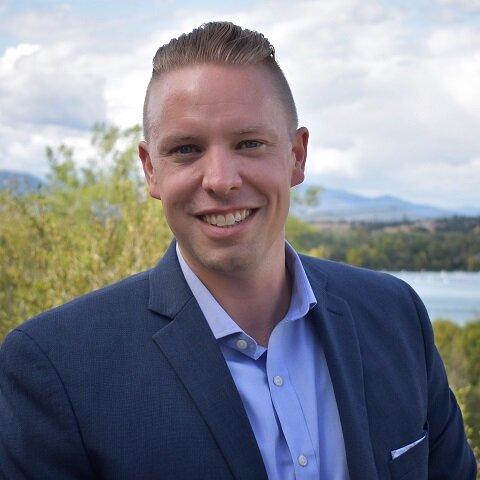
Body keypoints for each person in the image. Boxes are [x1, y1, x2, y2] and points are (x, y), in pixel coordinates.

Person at [0, 21, 476, 480]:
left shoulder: (396, 316)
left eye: (249, 143)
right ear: (150, 170)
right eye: (186, 150)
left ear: (297, 155)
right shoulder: (56, 367)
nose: (221, 180)